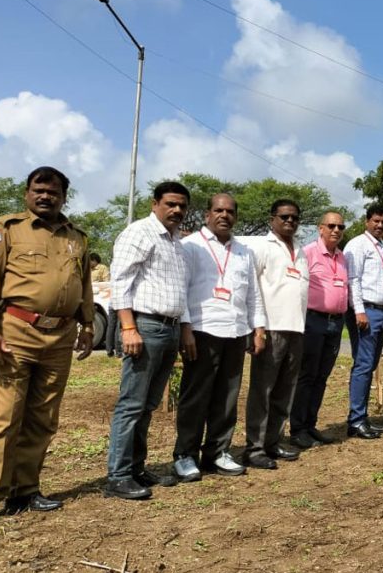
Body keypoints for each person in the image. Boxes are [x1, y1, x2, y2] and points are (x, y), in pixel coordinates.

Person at [0, 167, 94, 521]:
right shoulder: (6, 231)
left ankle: (25, 490)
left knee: (44, 418)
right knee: (5, 416)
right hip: (16, 331)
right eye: (38, 190)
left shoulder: (77, 237)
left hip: (60, 336)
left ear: (65, 196)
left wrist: (89, 324)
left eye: (53, 191)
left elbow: (85, 283)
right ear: (27, 193)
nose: (45, 196)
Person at [172, 194, 266, 481]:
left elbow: (253, 293)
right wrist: (185, 327)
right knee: (196, 396)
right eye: (218, 210)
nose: (224, 215)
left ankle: (216, 452)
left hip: (236, 331)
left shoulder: (243, 251)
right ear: (207, 214)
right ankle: (185, 454)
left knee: (227, 397)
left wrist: (258, 327)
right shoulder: (191, 246)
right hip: (202, 330)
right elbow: (181, 290)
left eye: (230, 211)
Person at [106, 182, 191, 500]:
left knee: (148, 404)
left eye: (182, 205)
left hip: (168, 329)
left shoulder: (175, 242)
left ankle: (136, 468)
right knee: (131, 404)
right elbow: (121, 281)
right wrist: (128, 328)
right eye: (170, 204)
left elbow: (179, 290)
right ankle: (117, 475)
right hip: (145, 326)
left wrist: (183, 327)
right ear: (155, 203)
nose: (177, 210)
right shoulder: (139, 233)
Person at [240, 199, 308, 469]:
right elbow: (252, 289)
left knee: (285, 390)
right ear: (272, 219)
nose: (289, 222)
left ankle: (274, 441)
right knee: (263, 390)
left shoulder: (300, 251)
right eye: (284, 217)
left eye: (294, 218)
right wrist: (257, 328)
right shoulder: (262, 248)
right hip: (271, 329)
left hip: (296, 328)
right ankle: (254, 448)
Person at [289, 211, 348, 449]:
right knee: (307, 376)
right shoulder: (307, 253)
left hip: (336, 323)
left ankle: (311, 425)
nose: (336, 230)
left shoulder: (342, 257)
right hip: (313, 321)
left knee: (322, 376)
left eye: (340, 227)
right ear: (320, 228)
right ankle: (297, 428)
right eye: (331, 226)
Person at [344, 204, 383, 439]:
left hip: (382, 311)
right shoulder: (358, 244)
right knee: (364, 365)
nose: (380, 225)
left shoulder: (382, 247)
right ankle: (356, 421)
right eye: (376, 221)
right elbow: (353, 279)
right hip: (366, 310)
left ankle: (362, 417)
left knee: (370, 365)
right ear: (367, 221)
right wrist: (359, 311)